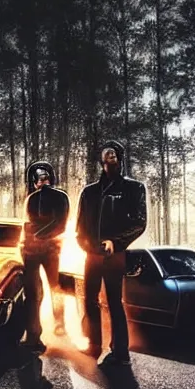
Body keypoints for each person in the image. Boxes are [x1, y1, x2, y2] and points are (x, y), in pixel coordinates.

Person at [75, 140, 147, 366]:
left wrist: (115, 242)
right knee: (89, 301)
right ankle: (93, 344)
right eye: (106, 153)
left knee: (115, 302)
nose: (110, 156)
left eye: (114, 153)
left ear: (121, 157)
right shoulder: (89, 192)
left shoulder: (134, 188)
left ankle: (120, 352)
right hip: (91, 255)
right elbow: (79, 227)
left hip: (115, 255)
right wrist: (87, 246)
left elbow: (140, 222)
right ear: (101, 160)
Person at [20, 161, 70, 353]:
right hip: (33, 251)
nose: (42, 181)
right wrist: (26, 243)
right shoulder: (31, 199)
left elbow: (61, 224)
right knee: (33, 293)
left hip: (50, 250)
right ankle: (33, 335)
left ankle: (59, 326)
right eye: (38, 178)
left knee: (55, 288)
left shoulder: (59, 197)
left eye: (44, 177)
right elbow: (27, 224)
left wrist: (38, 235)